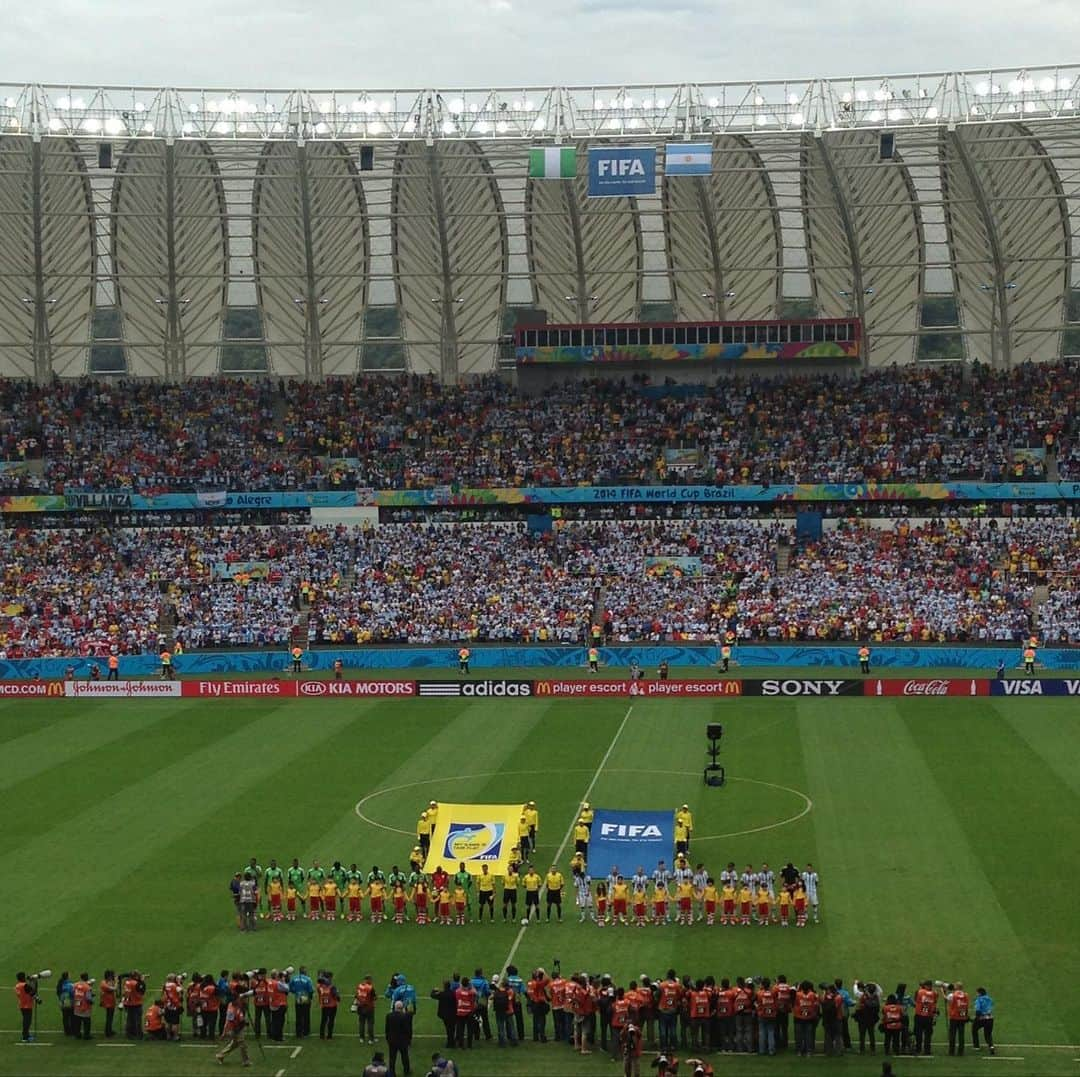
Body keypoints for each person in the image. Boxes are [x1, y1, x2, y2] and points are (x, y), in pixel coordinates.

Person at [215, 990, 250, 1066]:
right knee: (242, 1044)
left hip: (238, 1027)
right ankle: (245, 1061)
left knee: (234, 1044)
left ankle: (220, 1055)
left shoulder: (236, 1004)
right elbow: (229, 1022)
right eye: (238, 999)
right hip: (236, 1029)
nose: (239, 1000)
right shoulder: (232, 1009)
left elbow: (244, 998)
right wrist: (224, 1033)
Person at [385, 998, 413, 1075]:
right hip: (402, 1041)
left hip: (392, 1040)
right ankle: (406, 1071)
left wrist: (387, 1038)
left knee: (392, 1058)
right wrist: (409, 1039)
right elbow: (408, 1029)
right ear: (402, 1008)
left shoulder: (389, 1016)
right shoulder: (404, 1017)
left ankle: (392, 1072)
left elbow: (387, 1028)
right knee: (404, 1056)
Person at [942, 980, 970, 1056]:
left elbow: (945, 998)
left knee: (952, 1035)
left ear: (957, 987)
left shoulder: (952, 995)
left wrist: (942, 991)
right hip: (962, 1017)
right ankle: (961, 1051)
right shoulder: (966, 995)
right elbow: (967, 1006)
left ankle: (951, 1051)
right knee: (961, 1035)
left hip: (954, 1017)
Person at [491, 974, 518, 1046]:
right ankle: (514, 1040)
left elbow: (491, 997)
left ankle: (502, 1041)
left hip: (500, 1011)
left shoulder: (498, 991)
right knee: (512, 1026)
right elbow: (511, 999)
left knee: (501, 1027)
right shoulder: (510, 991)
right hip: (509, 1010)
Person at [289, 966, 314, 1039]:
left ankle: (298, 1032)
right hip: (306, 998)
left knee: (298, 1016)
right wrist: (310, 997)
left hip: (298, 998)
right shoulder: (307, 979)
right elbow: (311, 990)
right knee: (306, 1015)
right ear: (305, 972)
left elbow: (290, 987)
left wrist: (295, 992)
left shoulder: (294, 978)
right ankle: (306, 1032)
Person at [913, 979, 937, 1054]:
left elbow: (916, 999)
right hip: (929, 1016)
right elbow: (935, 1001)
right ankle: (927, 1050)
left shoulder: (919, 992)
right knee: (928, 1034)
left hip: (919, 1016)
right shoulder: (934, 993)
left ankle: (918, 1049)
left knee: (918, 1033)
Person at [122, 970, 146, 1039]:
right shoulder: (136, 983)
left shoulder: (127, 982)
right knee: (138, 1020)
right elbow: (142, 991)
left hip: (128, 1003)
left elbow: (126, 992)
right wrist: (142, 981)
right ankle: (139, 1034)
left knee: (129, 1019)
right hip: (136, 1003)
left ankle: (129, 1034)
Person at [454, 977, 476, 1049]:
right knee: (470, 1029)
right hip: (469, 1012)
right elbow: (475, 994)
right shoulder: (471, 993)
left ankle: (461, 1044)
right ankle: (469, 1045)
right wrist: (471, 986)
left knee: (460, 1029)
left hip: (460, 1012)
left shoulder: (458, 992)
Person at [318, 972, 340, 1040]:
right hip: (332, 1006)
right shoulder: (332, 987)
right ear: (330, 977)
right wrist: (338, 997)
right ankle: (329, 1035)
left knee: (323, 1020)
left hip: (324, 1006)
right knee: (331, 1020)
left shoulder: (320, 986)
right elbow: (336, 996)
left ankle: (322, 1035)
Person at [972, 986, 994, 1054]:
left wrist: (976, 1018)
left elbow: (978, 1010)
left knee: (974, 1029)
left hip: (982, 1018)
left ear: (980, 993)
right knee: (988, 1034)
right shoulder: (990, 999)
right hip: (990, 1018)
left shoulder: (979, 1000)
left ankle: (976, 1046)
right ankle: (991, 1046)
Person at [99, 971, 117, 1038]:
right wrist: (117, 982)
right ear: (108, 976)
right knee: (109, 1018)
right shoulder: (104, 984)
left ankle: (109, 1030)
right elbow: (114, 988)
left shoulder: (104, 982)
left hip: (110, 1002)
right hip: (108, 1003)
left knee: (110, 1017)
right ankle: (108, 1032)